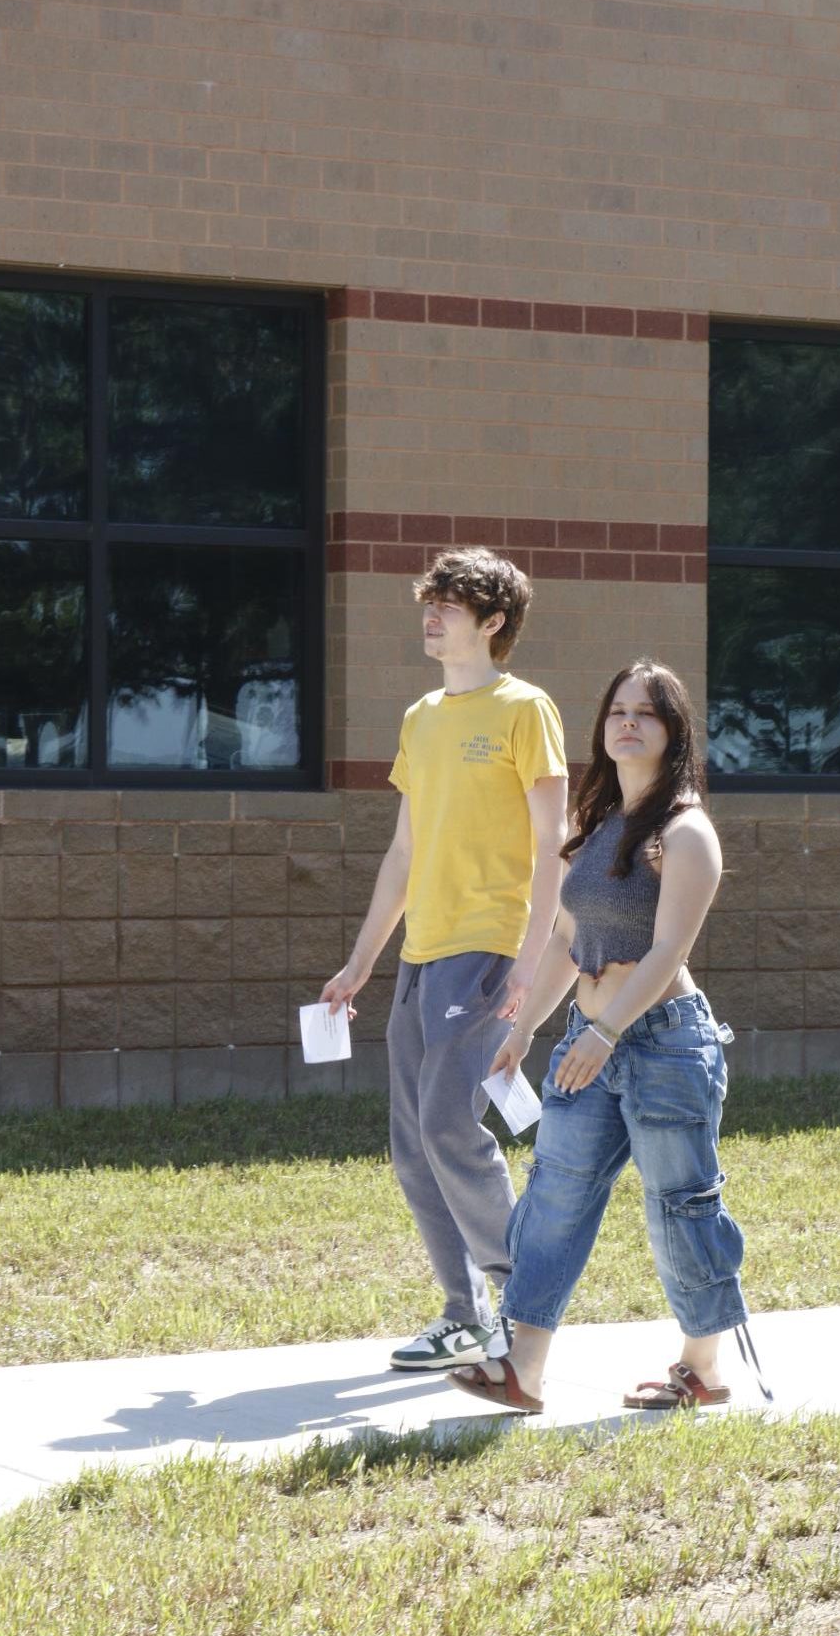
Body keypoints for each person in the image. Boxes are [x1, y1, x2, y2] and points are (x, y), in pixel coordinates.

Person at [448, 659, 768, 1415]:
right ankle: (522, 1367)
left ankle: (703, 1367)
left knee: (679, 1202)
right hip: (588, 1038)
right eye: (617, 709)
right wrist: (523, 1029)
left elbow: (667, 951)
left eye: (646, 713)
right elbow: (566, 937)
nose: (627, 722)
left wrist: (606, 1027)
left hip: (661, 1041)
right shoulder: (595, 830)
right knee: (555, 1195)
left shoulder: (685, 833)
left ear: (673, 731)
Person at [321, 548, 567, 1370]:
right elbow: (403, 849)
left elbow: (552, 848)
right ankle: (465, 1314)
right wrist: (360, 962)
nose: (431, 616)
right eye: (430, 603)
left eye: (450, 605)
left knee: (448, 1124)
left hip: (487, 945)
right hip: (423, 952)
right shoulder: (422, 716)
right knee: (411, 1139)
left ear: (492, 623)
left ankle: (522, 1308)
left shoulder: (525, 710)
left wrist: (531, 965)